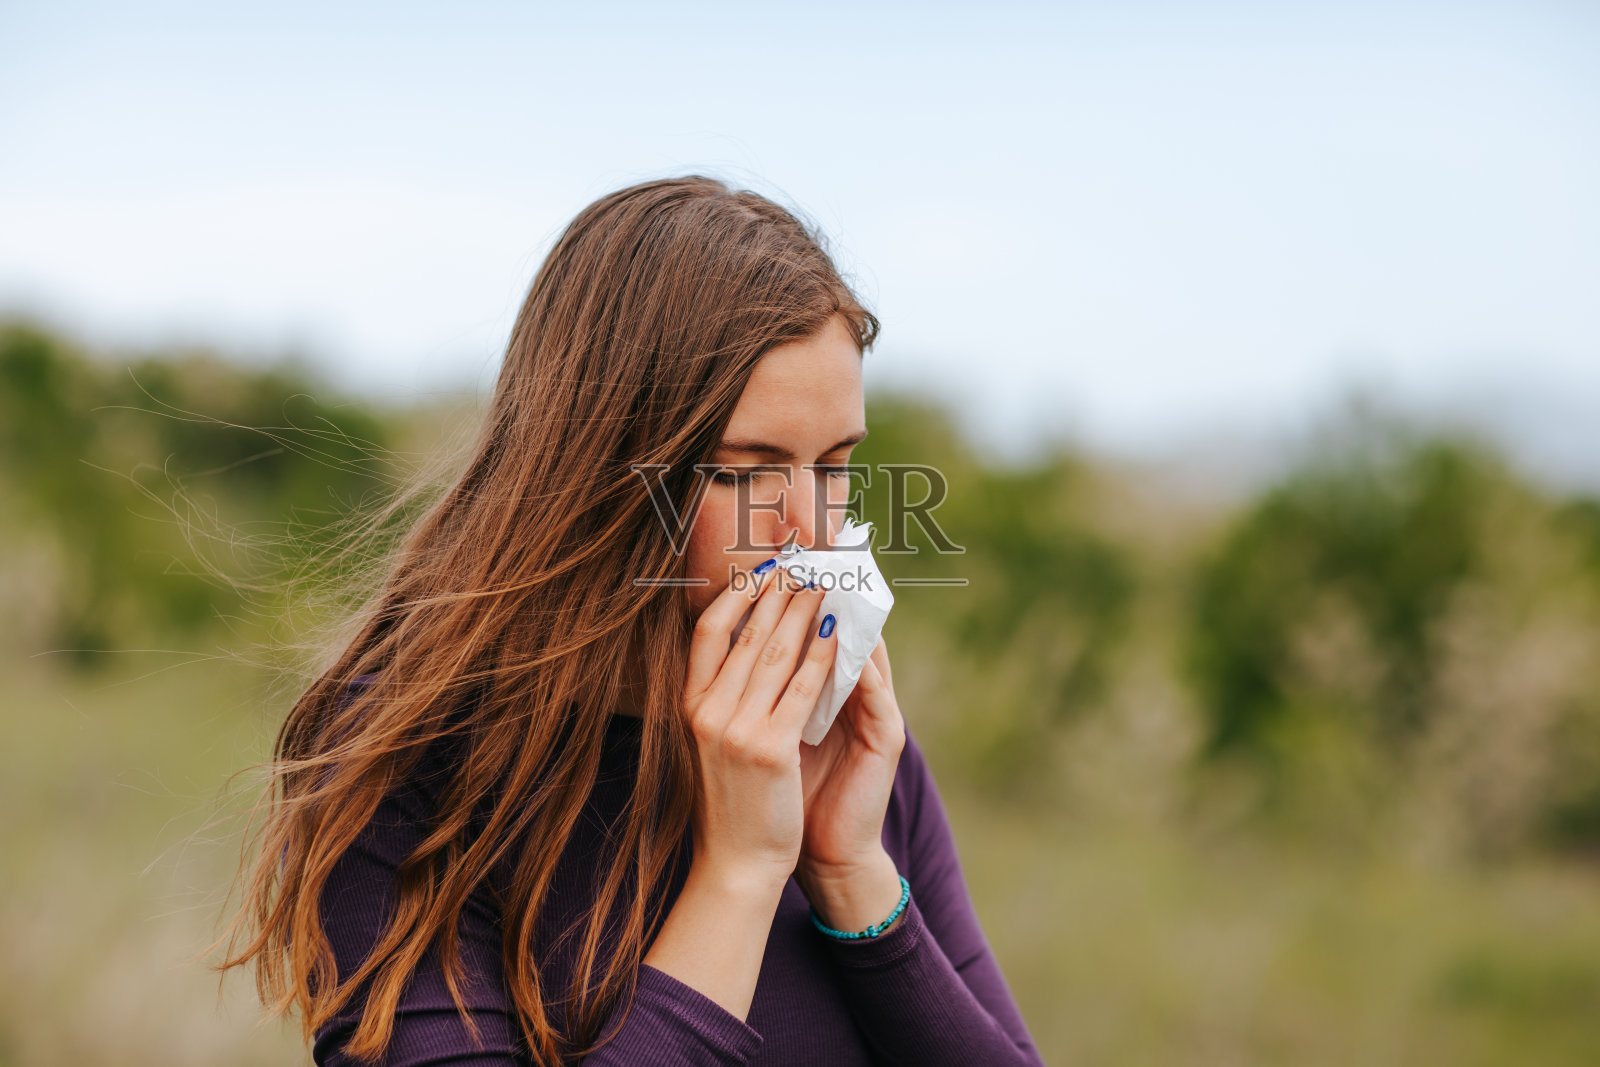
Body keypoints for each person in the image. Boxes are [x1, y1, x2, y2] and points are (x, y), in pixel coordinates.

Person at [216, 175, 1045, 1065]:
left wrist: (853, 876)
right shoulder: (417, 773)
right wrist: (738, 874)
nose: (813, 529)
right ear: (604, 476)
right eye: (747, 471)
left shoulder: (855, 765)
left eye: (835, 466)